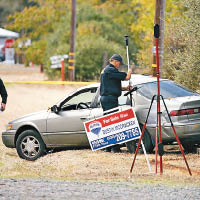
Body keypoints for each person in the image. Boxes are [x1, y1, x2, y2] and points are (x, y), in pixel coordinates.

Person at [100, 54, 132, 153]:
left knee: (108, 122)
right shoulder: (110, 70)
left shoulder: (106, 70)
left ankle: (108, 147)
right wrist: (130, 72)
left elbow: (111, 86)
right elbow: (126, 77)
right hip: (110, 99)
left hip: (106, 98)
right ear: (114, 61)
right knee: (113, 122)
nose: (119, 65)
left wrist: (125, 88)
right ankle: (115, 148)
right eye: (119, 63)